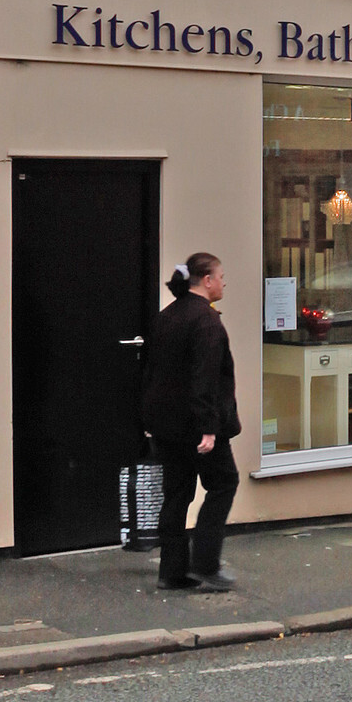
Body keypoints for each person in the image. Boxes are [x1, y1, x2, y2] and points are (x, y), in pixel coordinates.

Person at [141, 250, 240, 592]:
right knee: (224, 483)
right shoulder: (207, 322)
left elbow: (153, 372)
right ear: (207, 280)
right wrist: (209, 428)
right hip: (197, 427)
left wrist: (150, 418)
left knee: (176, 495)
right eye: (221, 276)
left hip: (167, 426)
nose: (224, 282)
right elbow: (205, 379)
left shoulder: (166, 316)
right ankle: (206, 564)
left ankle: (172, 572)